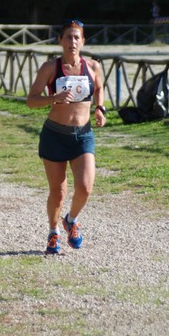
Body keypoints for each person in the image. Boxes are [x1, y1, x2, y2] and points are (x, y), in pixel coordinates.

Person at [26, 19, 106, 255]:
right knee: (58, 192)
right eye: (68, 37)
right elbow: (31, 100)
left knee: (85, 187)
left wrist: (100, 109)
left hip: (83, 135)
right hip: (55, 136)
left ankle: (71, 220)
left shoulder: (92, 67)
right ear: (60, 41)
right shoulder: (50, 68)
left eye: (76, 37)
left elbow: (99, 89)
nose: (72, 41)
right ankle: (53, 232)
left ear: (83, 41)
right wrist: (53, 98)